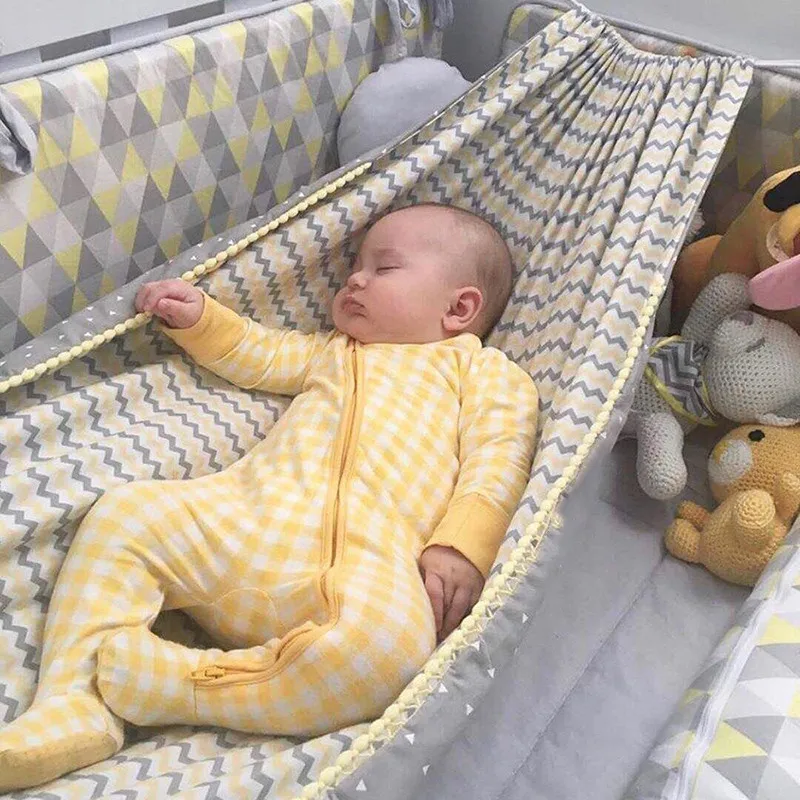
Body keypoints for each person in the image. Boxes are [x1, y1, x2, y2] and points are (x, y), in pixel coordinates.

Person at [0, 203, 539, 791]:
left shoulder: (483, 373)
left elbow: (499, 457)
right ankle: (74, 704)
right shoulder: (334, 351)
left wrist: (461, 546)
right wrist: (201, 319)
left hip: (371, 563)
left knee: (392, 653)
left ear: (459, 309)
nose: (354, 280)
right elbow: (259, 354)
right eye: (353, 269)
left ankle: (181, 684)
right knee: (126, 516)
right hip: (248, 524)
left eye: (383, 269)